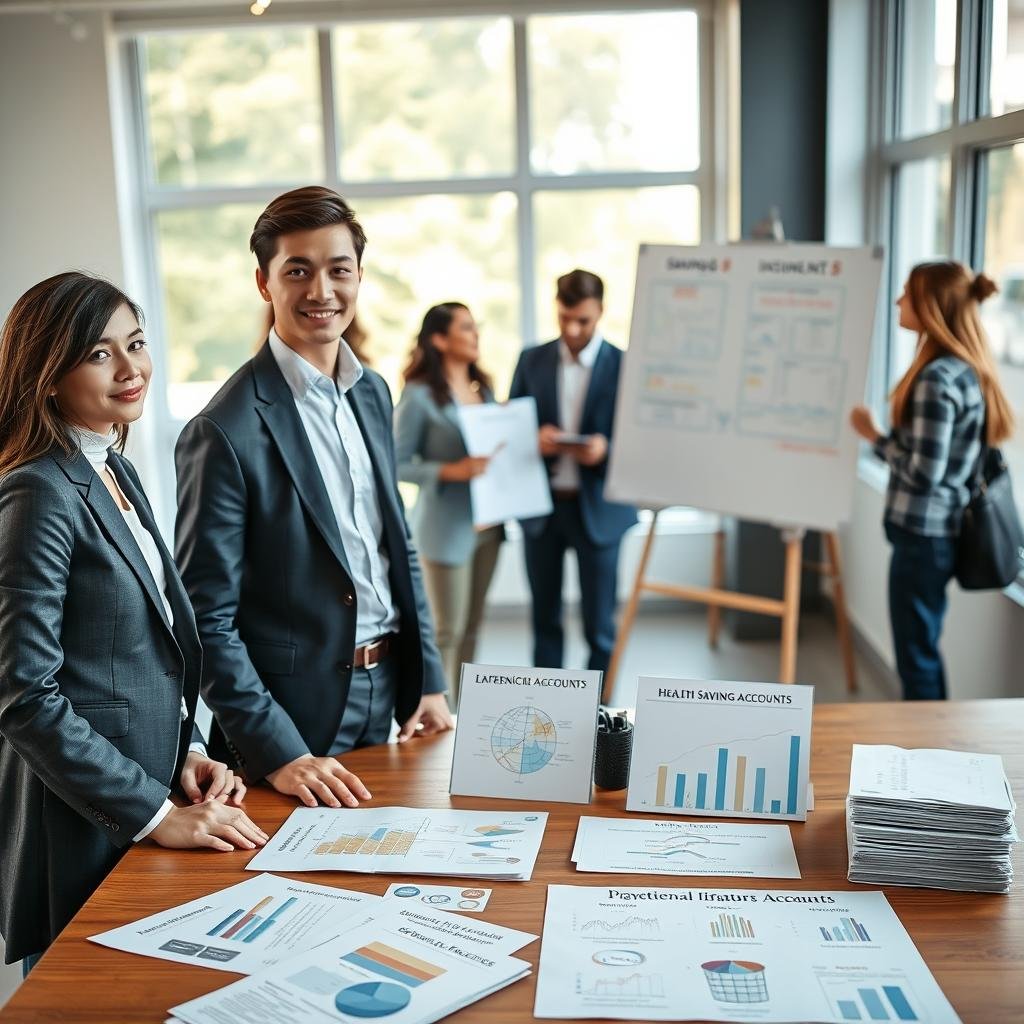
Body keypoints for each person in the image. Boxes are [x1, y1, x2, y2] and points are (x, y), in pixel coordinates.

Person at [0, 273, 267, 972]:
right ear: (47, 373)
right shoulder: (37, 488)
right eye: (99, 353)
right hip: (87, 818)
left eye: (137, 343)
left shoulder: (112, 465)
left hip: (147, 788)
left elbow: (131, 655)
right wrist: (158, 813)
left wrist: (186, 752)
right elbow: (25, 696)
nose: (131, 369)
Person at [175, 186, 452, 810]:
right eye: (296, 270)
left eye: (338, 270)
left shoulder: (373, 393)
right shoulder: (223, 430)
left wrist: (427, 680)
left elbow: (396, 549)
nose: (321, 291)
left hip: (390, 689)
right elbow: (207, 619)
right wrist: (281, 751)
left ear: (358, 276)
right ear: (263, 282)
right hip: (287, 718)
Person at [850, 260, 1015, 700]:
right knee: (922, 647)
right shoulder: (963, 371)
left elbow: (925, 474)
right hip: (937, 535)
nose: (899, 300)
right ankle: (932, 741)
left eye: (908, 292)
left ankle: (921, 752)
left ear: (930, 305)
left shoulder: (936, 378)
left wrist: (874, 438)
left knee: (915, 655)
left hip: (923, 537)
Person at [509, 269, 637, 672]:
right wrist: (534, 437)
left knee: (599, 627)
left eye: (583, 319)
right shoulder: (532, 360)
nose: (572, 328)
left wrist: (606, 450)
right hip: (542, 510)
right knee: (544, 621)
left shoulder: (626, 365)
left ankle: (600, 719)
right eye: (564, 318)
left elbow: (644, 444)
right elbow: (512, 428)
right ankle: (548, 714)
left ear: (600, 311)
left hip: (599, 509)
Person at [394, 303, 505, 708]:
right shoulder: (419, 395)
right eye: (467, 328)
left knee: (473, 628)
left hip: (489, 529)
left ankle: (468, 717)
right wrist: (449, 471)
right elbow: (396, 463)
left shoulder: (484, 389)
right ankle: (440, 718)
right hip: (445, 531)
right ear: (440, 339)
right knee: (448, 632)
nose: (476, 335)